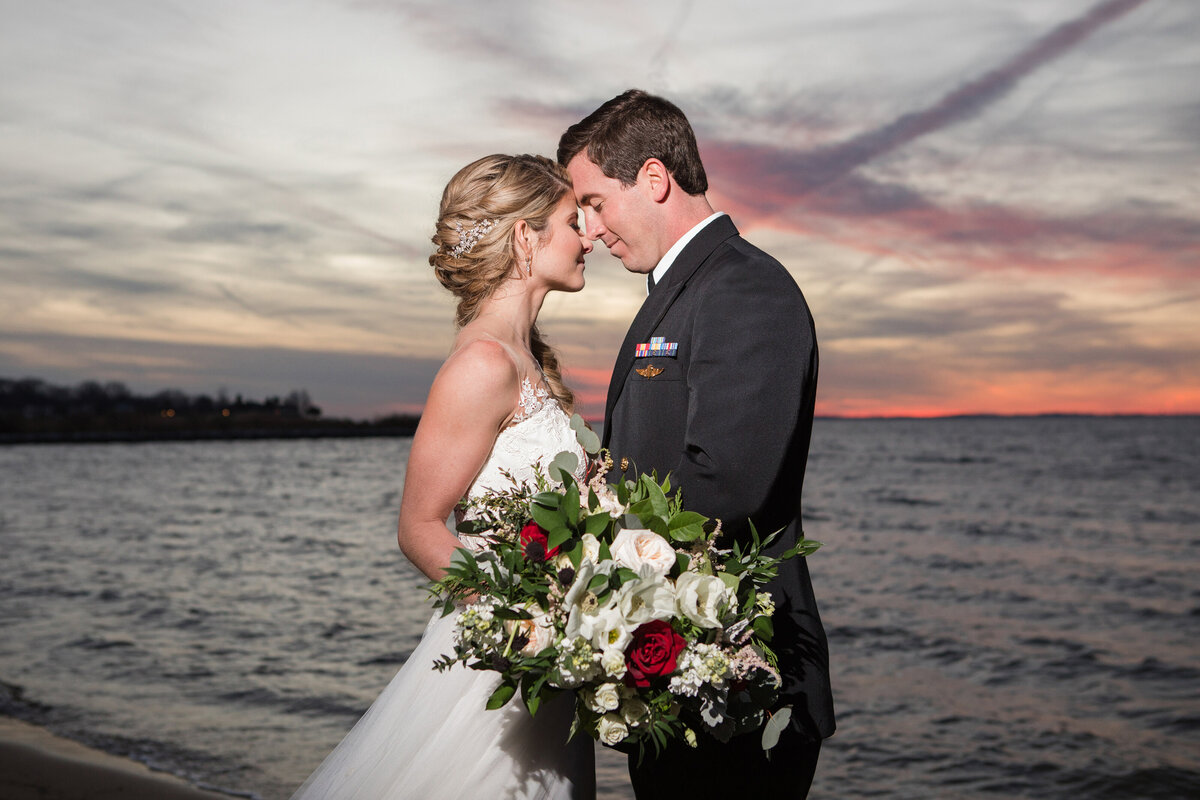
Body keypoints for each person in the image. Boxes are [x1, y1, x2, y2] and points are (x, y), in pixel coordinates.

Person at [291, 154, 596, 800]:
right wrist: (522, 621)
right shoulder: (484, 364)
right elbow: (419, 527)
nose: (589, 236)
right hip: (504, 654)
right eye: (574, 221)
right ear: (525, 237)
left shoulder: (526, 361)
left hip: (546, 661)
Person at [558, 90, 835, 798]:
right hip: (674, 678)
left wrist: (588, 541)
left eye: (594, 202)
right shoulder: (680, 290)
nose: (588, 230)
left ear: (653, 179)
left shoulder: (745, 289)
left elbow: (729, 486)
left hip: (743, 685)